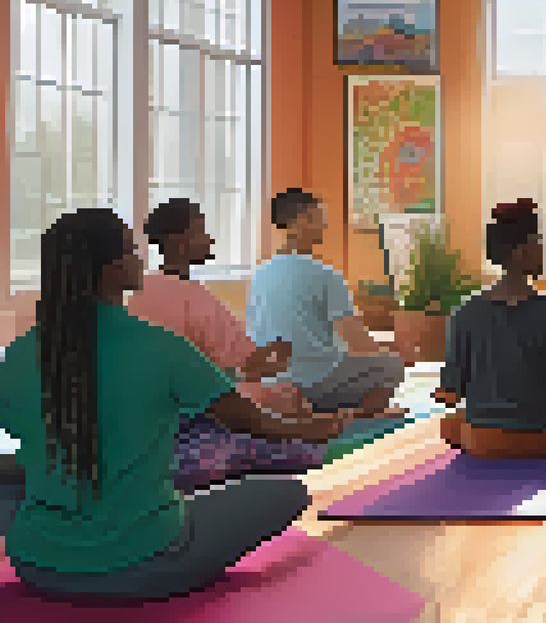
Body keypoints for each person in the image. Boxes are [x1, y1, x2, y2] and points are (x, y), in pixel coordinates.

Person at [0, 209, 351, 600]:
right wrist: (313, 429)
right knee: (289, 493)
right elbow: (249, 420)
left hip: (36, 565)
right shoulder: (159, 345)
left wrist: (42, 464)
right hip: (148, 562)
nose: (139, 258)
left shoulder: (17, 354)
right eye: (132, 251)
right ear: (114, 270)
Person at [126, 199, 329, 492]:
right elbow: (244, 369)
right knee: (290, 406)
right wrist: (277, 360)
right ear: (179, 243)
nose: (210, 239)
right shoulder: (197, 300)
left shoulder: (139, 293)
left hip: (151, 421)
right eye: (201, 232)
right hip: (193, 415)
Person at [432, 200, 546, 459]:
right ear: (520, 253)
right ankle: (530, 447)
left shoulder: (464, 312)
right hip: (536, 436)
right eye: (538, 244)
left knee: (450, 424)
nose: (543, 251)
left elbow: (450, 389)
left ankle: (491, 440)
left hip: (481, 440)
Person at [246, 189, 404, 415]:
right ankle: (363, 412)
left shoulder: (259, 275)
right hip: (315, 383)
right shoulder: (326, 275)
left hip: (269, 383)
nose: (324, 225)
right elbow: (357, 343)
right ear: (301, 221)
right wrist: (391, 350)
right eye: (320, 218)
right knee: (392, 364)